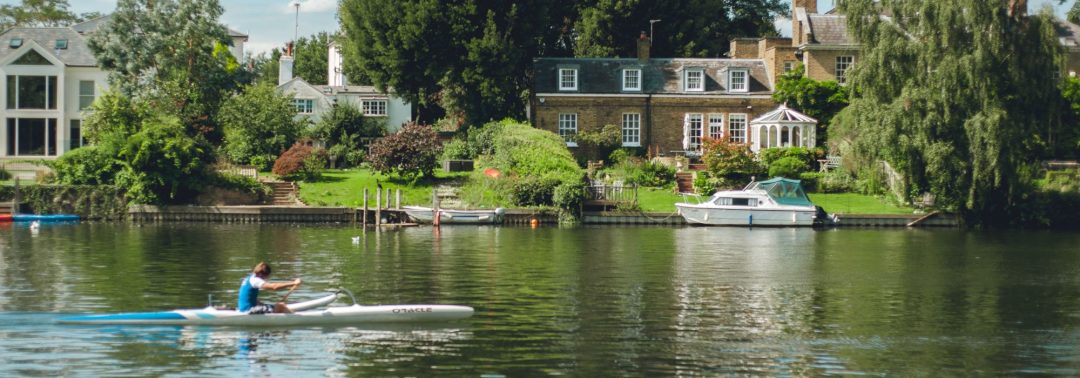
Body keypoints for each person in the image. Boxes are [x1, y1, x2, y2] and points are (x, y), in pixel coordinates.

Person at [238, 262, 302, 314]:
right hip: (249, 310)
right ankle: (296, 319)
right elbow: (274, 287)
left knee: (278, 306)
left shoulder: (249, 278)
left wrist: (263, 305)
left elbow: (249, 297)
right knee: (281, 306)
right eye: (266, 277)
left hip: (244, 309)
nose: (265, 279)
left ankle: (285, 320)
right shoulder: (256, 280)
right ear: (263, 274)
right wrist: (293, 283)